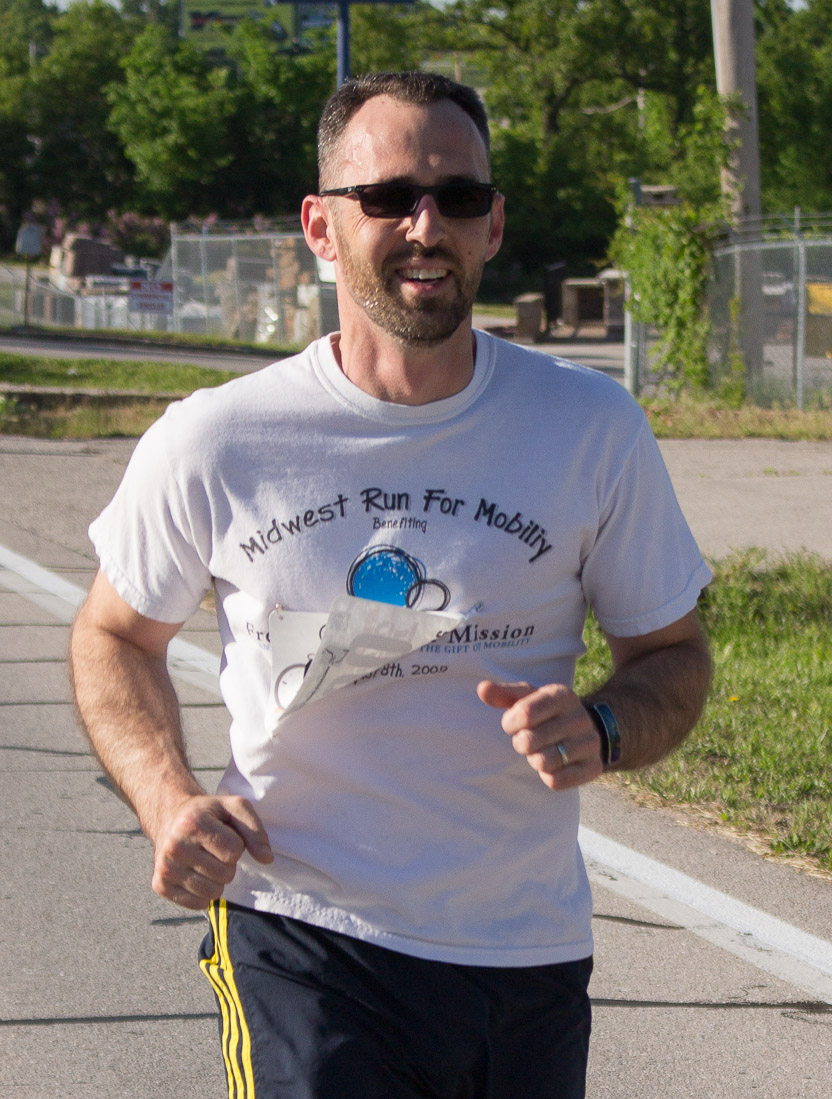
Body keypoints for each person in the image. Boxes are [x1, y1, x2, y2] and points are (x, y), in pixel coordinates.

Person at [69, 70, 712, 1099]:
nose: (426, 225)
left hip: (525, 949)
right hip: (300, 932)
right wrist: (167, 799)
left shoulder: (589, 427)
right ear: (320, 227)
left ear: (493, 224)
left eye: (458, 196)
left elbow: (672, 655)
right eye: (388, 197)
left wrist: (606, 724)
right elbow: (113, 635)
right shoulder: (219, 437)